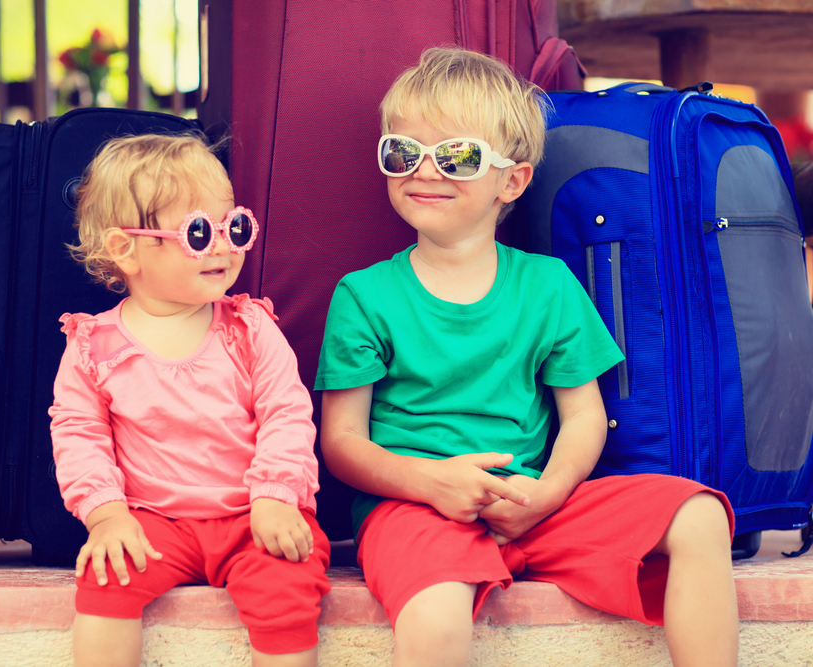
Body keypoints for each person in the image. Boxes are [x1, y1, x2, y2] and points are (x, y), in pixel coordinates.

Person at [316, 48, 738, 667]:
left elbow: (584, 418)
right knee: (433, 612)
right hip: (414, 508)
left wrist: (548, 494)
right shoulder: (364, 295)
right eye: (402, 152)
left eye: (456, 156)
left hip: (534, 501)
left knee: (699, 515)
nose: (423, 171)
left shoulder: (548, 285)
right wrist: (430, 483)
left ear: (511, 180)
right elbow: (343, 441)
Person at [50, 134, 330, 667]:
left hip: (254, 515)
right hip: (152, 519)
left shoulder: (249, 329)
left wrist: (276, 495)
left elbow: (287, 414)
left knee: (287, 583)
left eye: (234, 226)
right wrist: (106, 517)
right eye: (199, 233)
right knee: (106, 577)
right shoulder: (94, 346)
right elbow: (79, 435)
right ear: (125, 249)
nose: (224, 245)